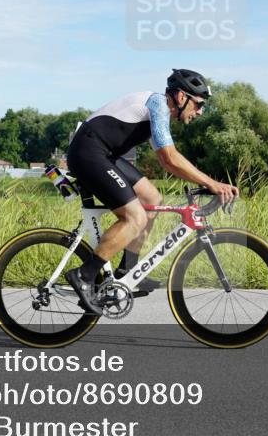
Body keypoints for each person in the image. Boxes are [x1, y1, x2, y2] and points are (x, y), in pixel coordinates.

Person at [64, 69, 239, 314]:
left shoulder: (159, 112)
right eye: (198, 104)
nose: (200, 112)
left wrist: (208, 181)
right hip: (88, 153)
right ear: (180, 97)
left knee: (152, 198)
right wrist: (212, 183)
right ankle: (84, 274)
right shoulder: (157, 104)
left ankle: (127, 272)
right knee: (135, 217)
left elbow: (168, 158)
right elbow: (169, 158)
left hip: (104, 153)